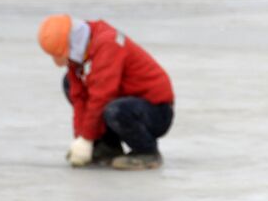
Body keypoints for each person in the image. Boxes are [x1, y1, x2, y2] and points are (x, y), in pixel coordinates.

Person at [36, 14, 174, 170]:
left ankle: (147, 152)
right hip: (124, 101)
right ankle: (107, 147)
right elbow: (79, 97)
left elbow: (101, 96)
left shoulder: (107, 44)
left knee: (113, 109)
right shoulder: (80, 50)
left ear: (70, 45)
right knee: (69, 82)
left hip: (155, 111)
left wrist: (86, 139)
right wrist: (81, 139)